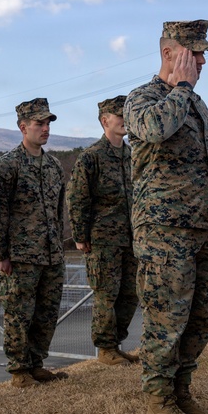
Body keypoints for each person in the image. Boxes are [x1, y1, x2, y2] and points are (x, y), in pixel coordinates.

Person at [123, 20, 208, 414]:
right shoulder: (142, 99)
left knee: (199, 318)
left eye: (202, 53)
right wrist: (181, 88)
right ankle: (159, 401)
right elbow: (155, 129)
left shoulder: (196, 103)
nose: (202, 60)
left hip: (201, 227)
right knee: (165, 320)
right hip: (164, 231)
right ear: (169, 54)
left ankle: (181, 392)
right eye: (194, 52)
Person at [0, 98, 68, 388]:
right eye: (39, 124)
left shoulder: (54, 166)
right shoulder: (8, 165)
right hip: (21, 255)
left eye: (48, 124)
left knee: (47, 312)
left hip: (51, 253)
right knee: (19, 314)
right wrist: (0, 253)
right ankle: (19, 369)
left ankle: (36, 363)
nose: (45, 129)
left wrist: (59, 247)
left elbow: (58, 211)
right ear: (23, 127)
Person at [67, 95, 140, 366]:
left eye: (127, 115)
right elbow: (77, 197)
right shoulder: (92, 157)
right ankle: (106, 348)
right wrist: (80, 235)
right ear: (104, 121)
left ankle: (116, 343)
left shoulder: (132, 155)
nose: (124, 120)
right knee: (106, 294)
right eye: (119, 115)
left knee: (130, 293)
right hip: (103, 239)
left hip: (130, 237)